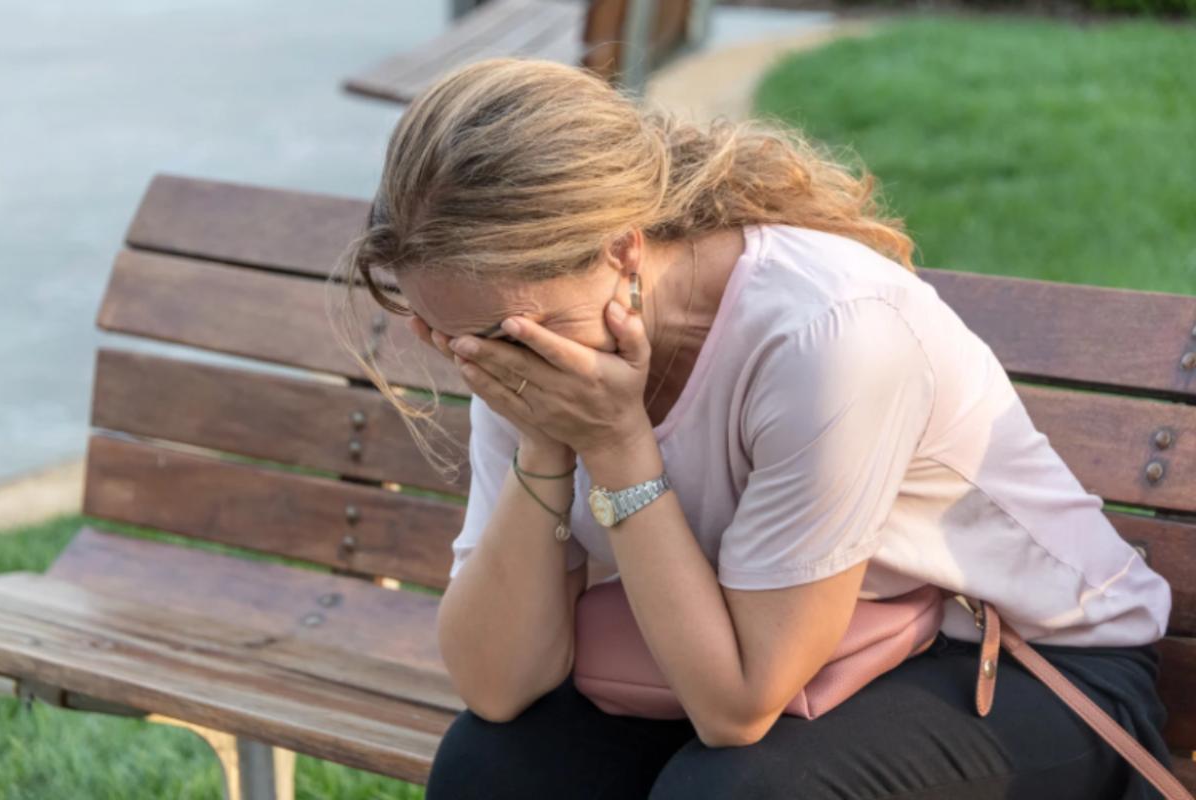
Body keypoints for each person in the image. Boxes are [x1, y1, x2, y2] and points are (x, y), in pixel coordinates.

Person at [326, 57, 1175, 799]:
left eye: (511, 335)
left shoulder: (828, 333)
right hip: (779, 653)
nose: (489, 363)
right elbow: (496, 686)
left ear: (622, 251)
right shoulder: (531, 331)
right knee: (495, 769)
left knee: (739, 792)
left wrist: (618, 446)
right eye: (451, 338)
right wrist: (547, 444)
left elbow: (738, 708)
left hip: (1031, 664)